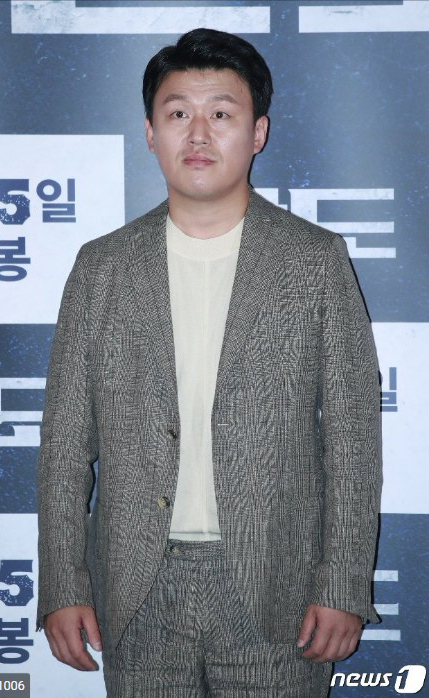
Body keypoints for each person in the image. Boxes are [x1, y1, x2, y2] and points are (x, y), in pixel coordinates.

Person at [36, 28, 382, 697]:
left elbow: (352, 438)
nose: (198, 133)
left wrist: (342, 583)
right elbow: (64, 445)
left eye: (221, 113)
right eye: (178, 113)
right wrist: (62, 584)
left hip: (279, 588)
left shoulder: (314, 260)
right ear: (150, 133)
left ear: (257, 133)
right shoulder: (102, 268)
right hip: (136, 589)